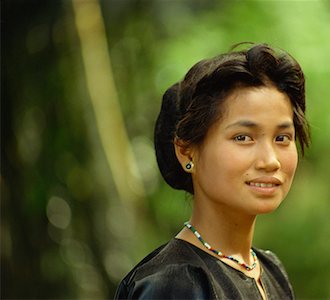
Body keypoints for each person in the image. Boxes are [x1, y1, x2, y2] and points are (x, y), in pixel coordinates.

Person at [115, 43, 310, 300]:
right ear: (187, 152)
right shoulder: (175, 283)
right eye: (243, 137)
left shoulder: (270, 270)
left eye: (282, 138)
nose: (270, 160)